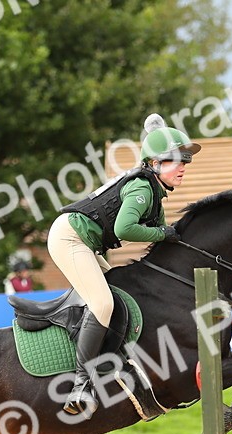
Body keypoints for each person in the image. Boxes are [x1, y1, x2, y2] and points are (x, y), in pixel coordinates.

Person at [48, 113, 200, 417]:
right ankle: (80, 384)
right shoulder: (143, 189)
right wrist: (163, 233)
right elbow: (124, 229)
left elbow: (164, 241)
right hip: (70, 238)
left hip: (85, 243)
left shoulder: (155, 193)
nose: (183, 165)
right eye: (176, 159)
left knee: (120, 294)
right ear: (155, 164)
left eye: (186, 160)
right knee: (103, 303)